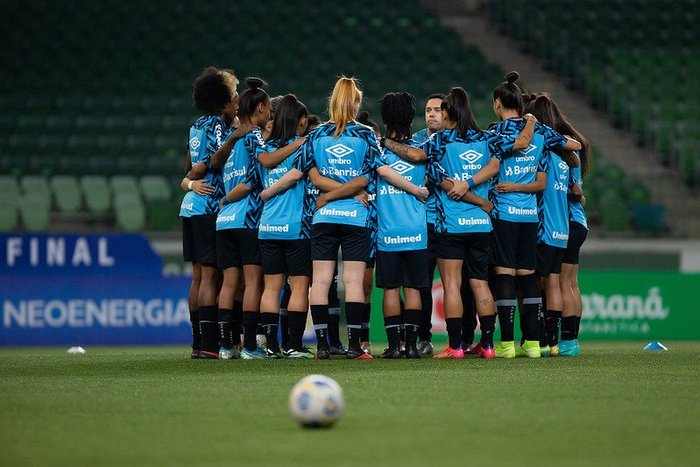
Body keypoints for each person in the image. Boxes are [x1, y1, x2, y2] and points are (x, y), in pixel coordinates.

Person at [262, 77, 426, 359]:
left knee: (321, 283)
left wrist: (268, 193)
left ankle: (323, 346)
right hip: (355, 218)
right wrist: (415, 189)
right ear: (356, 102)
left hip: (323, 217)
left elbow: (301, 174)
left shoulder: (315, 136)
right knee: (352, 282)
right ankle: (353, 347)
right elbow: (378, 173)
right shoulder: (365, 135)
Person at [426, 86, 536, 359]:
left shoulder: (438, 141)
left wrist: (460, 186)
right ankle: (488, 344)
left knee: (451, 284)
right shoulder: (488, 138)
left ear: (448, 112)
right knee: (480, 284)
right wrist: (531, 121)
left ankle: (455, 346)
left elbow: (434, 175)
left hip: (451, 224)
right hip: (481, 225)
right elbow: (515, 148)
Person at [481, 72, 581, 359]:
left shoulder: (495, 132)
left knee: (504, 274)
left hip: (504, 213)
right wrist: (547, 135)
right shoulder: (541, 133)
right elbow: (573, 144)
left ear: (498, 103)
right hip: (530, 217)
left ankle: (508, 344)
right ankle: (534, 345)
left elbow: (502, 151)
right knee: (527, 275)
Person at [216, 78, 305, 359]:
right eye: (269, 110)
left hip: (224, 220)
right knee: (255, 284)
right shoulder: (253, 135)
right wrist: (300, 142)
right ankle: (252, 347)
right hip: (247, 218)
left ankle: (227, 345)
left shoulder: (229, 139)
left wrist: (223, 200)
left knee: (230, 284)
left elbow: (217, 166)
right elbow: (264, 165)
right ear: (263, 107)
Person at [179, 66, 238, 359]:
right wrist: (235, 137)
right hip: (208, 205)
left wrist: (190, 181)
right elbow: (213, 161)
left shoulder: (195, 127)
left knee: (197, 277)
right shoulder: (217, 125)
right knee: (210, 277)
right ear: (224, 100)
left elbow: (189, 166)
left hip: (190, 205)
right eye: (234, 95)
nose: (237, 100)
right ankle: (209, 345)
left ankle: (197, 344)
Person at [255, 94, 314, 358]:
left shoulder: (266, 149)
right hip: (296, 228)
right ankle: (294, 345)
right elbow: (299, 177)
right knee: (299, 287)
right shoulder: (304, 147)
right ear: (299, 122)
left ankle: (271, 346)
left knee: (271, 288)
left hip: (268, 226)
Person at [374, 92, 430, 358]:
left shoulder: (378, 149)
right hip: (416, 231)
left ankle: (395, 347)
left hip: (388, 232)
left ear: (385, 119)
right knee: (414, 287)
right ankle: (412, 347)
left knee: (391, 288)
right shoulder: (422, 149)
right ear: (411, 118)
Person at [412, 94, 445, 356]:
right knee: (421, 283)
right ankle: (424, 337)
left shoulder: (457, 139)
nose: (432, 114)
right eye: (428, 109)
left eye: (437, 110)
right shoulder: (415, 141)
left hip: (453, 223)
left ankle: (464, 339)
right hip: (424, 223)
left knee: (459, 283)